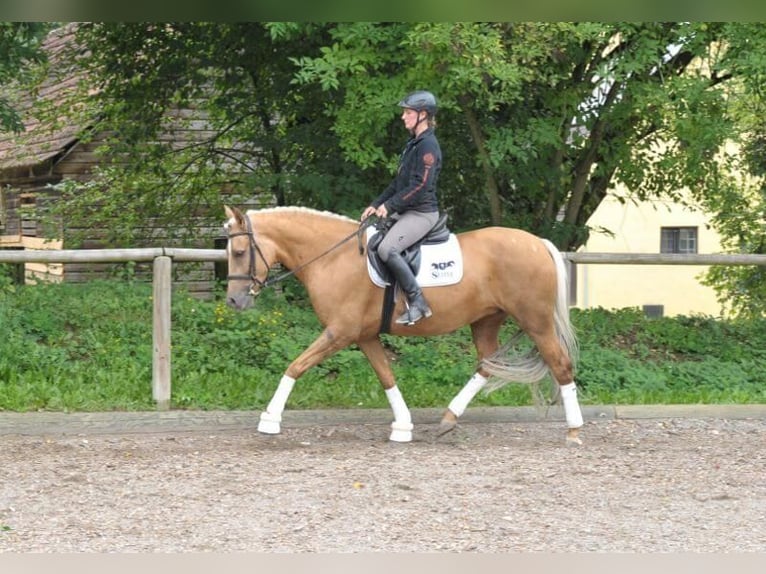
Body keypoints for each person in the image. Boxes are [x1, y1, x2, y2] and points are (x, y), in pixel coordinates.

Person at [361, 90, 442, 325]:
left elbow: (422, 186)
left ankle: (418, 301)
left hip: (422, 213)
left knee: (387, 249)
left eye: (408, 112)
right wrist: (377, 204)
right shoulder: (413, 144)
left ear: (423, 115)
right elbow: (399, 183)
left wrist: (391, 205)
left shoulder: (428, 146)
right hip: (406, 209)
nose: (403, 117)